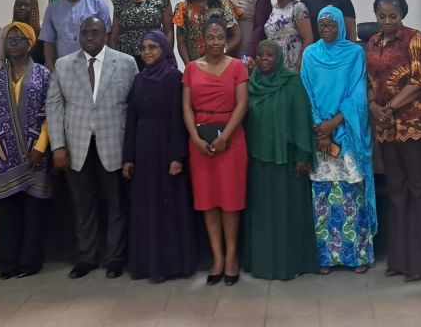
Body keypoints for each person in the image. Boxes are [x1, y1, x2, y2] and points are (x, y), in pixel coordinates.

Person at [47, 17, 138, 280]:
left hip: (114, 145)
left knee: (116, 205)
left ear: (106, 35)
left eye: (95, 32)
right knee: (83, 206)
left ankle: (114, 258)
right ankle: (86, 257)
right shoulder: (63, 65)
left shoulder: (126, 63)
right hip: (76, 147)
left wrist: (132, 150)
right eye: (84, 32)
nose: (89, 36)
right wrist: (58, 146)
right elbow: (54, 107)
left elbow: (134, 108)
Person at [365, 0, 421, 281]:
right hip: (385, 126)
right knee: (396, 190)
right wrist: (374, 105)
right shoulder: (371, 42)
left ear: (402, 15)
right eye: (381, 16)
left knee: (419, 188)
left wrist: (390, 106)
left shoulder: (414, 38)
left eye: (392, 16)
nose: (386, 21)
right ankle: (399, 260)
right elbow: (370, 79)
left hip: (415, 123)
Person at [0, 22, 53, 280]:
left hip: (35, 155)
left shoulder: (43, 74)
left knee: (33, 214)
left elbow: (50, 115)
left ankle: (30, 263)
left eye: (20, 38)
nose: (14, 42)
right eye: (9, 39)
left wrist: (41, 148)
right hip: (2, 156)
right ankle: (7, 262)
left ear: (30, 43)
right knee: (6, 214)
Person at [300, 6, 376, 274]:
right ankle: (325, 258)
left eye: (332, 25)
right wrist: (320, 128)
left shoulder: (355, 53)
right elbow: (306, 92)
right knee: (322, 197)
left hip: (346, 133)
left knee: (352, 196)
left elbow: (358, 93)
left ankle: (358, 256)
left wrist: (333, 124)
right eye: (322, 26)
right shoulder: (310, 54)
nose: (327, 30)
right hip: (319, 133)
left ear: (341, 27)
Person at [121, 31, 197, 282]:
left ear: (165, 50)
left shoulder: (174, 77)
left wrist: (177, 157)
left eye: (153, 47)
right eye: (143, 48)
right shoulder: (139, 78)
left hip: (166, 150)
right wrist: (128, 157)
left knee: (168, 207)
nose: (147, 52)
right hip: (143, 151)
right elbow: (131, 119)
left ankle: (171, 265)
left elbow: (179, 119)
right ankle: (147, 264)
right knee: (146, 208)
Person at [243, 40, 318, 280]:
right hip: (258, 161)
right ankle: (262, 264)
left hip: (287, 162)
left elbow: (300, 121)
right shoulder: (251, 83)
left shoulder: (291, 82)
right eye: (260, 55)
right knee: (262, 215)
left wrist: (302, 156)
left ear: (279, 58)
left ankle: (290, 263)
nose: (264, 59)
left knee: (287, 213)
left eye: (270, 55)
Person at [182, 18, 249, 286]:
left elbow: (242, 105)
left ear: (227, 39)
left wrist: (225, 137)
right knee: (208, 202)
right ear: (202, 39)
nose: (216, 42)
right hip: (200, 142)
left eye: (220, 36)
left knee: (230, 202)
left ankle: (232, 257)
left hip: (231, 141)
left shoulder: (237, 67)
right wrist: (195, 138)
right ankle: (217, 258)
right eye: (211, 37)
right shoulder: (190, 69)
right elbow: (186, 107)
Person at [41, 0, 112, 73]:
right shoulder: (53, 8)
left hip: (92, 67)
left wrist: (100, 67)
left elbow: (107, 38)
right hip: (62, 68)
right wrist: (52, 69)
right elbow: (48, 41)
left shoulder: (98, 4)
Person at [109, 0, 174, 70]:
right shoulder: (120, 0)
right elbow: (114, 33)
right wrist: (112, 58)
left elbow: (169, 31)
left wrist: (167, 55)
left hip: (154, 54)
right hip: (126, 55)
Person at [173, 0, 241, 65]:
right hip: (195, 64)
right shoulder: (183, 8)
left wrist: (224, 50)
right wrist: (188, 65)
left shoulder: (223, 5)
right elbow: (181, 41)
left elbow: (236, 35)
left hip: (221, 62)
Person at [264, 0, 314, 72]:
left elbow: (309, 38)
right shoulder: (270, 9)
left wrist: (299, 64)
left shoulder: (298, 7)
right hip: (273, 65)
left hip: (293, 65)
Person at [223, 0, 272, 65]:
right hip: (227, 48)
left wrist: (251, 54)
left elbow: (260, 28)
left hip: (247, 50)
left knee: (244, 78)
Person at [0, 0, 45, 69]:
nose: (22, 8)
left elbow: (50, 56)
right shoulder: (6, 30)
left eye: (26, 5)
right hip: (13, 76)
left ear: (34, 7)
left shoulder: (43, 28)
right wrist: (3, 77)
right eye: (18, 5)